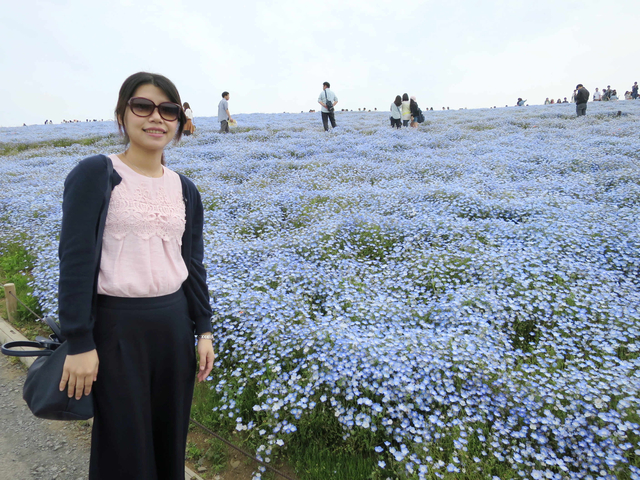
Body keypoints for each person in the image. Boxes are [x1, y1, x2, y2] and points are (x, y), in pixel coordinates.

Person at [57, 71, 215, 479]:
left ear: (179, 121)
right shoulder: (97, 172)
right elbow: (74, 260)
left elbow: (192, 265)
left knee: (169, 440)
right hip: (116, 329)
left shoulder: (185, 189)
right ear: (122, 114)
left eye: (169, 110)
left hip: (173, 326)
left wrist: (205, 329)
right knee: (124, 449)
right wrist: (79, 342)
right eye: (142, 106)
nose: (156, 118)